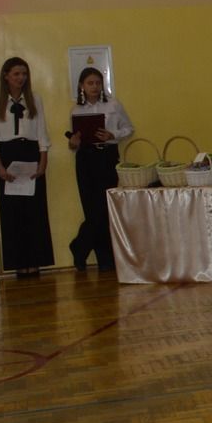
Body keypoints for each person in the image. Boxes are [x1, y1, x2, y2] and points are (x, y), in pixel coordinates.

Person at [0, 57, 53, 278]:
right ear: (6, 76)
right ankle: (18, 262)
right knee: (12, 213)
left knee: (34, 211)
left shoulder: (35, 99)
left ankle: (35, 261)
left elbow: (42, 132)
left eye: (24, 74)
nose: (21, 78)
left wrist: (43, 162)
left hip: (31, 154)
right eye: (16, 74)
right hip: (8, 156)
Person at [67, 65, 133, 272]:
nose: (95, 87)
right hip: (85, 159)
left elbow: (129, 128)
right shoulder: (76, 110)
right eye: (90, 83)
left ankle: (81, 247)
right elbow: (73, 143)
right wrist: (73, 143)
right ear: (82, 86)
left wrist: (113, 135)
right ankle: (103, 259)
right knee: (91, 209)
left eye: (98, 83)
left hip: (107, 156)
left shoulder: (113, 104)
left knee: (105, 208)